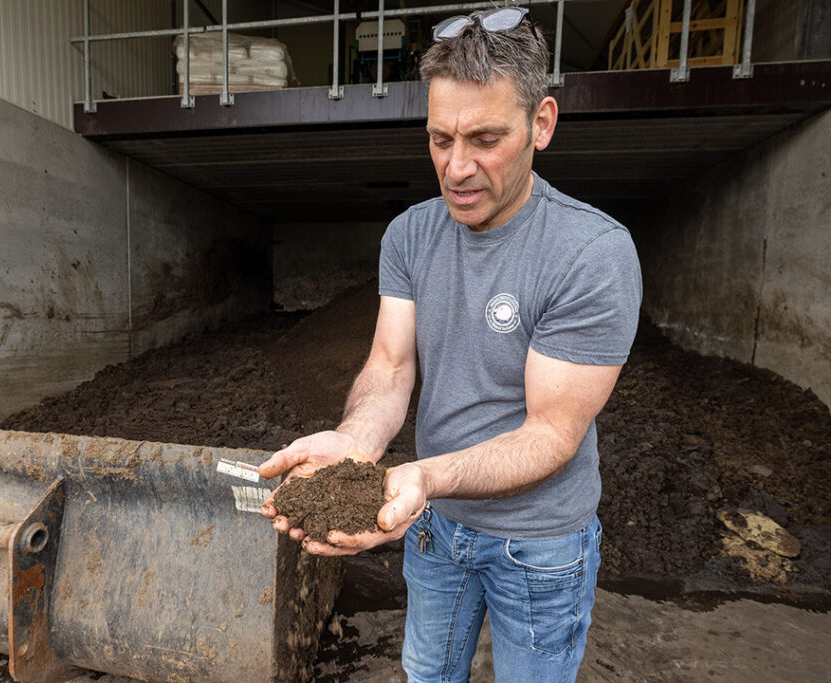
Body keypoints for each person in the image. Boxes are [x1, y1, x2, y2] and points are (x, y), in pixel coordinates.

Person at [260, 7, 642, 682]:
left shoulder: (591, 254)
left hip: (541, 542)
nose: (457, 168)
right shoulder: (411, 234)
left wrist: (425, 474)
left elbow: (552, 432)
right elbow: (391, 364)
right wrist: (357, 444)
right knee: (428, 674)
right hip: (435, 527)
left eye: (485, 138)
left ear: (541, 124)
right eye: (440, 139)